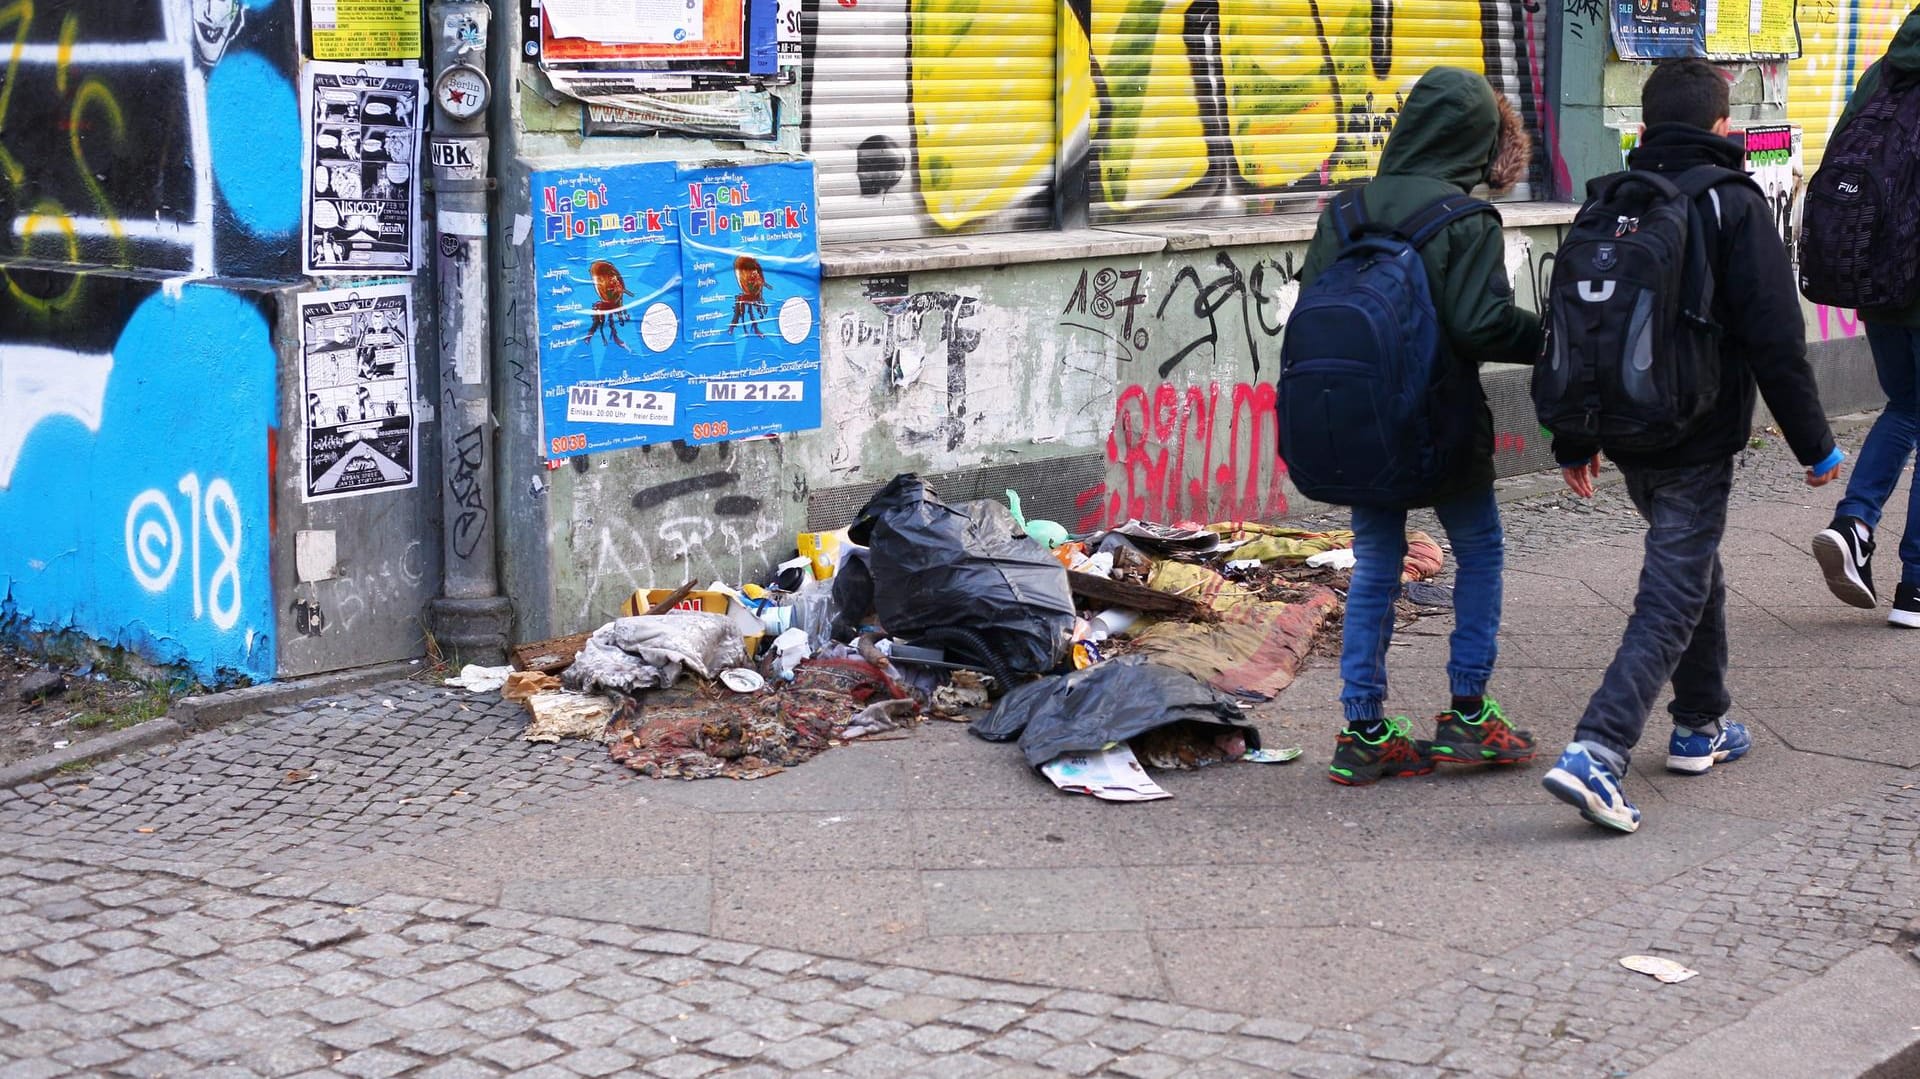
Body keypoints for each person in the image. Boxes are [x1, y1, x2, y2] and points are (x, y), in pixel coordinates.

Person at [1542, 59, 1844, 833]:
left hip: (1622, 427)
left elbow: (1577, 331)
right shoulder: (1732, 203)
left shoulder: (1609, 203)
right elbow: (1776, 338)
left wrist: (1574, 436)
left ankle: (1700, 723)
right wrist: (1816, 445)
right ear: (1721, 128)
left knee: (1693, 561)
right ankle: (1598, 748)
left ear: (1643, 129)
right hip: (1697, 430)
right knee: (1673, 587)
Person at [1296, 66, 1541, 786]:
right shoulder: (1465, 219)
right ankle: (1468, 714)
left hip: (1359, 421)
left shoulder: (1343, 211)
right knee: (1480, 548)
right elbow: (1480, 323)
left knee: (1376, 563)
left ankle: (1363, 729)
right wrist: (1553, 337)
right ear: (1475, 139)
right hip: (1441, 421)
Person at [1809, 7, 1920, 627]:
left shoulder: (1882, 74)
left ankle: (1854, 525)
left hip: (1876, 279)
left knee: (1905, 407)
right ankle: (1917, 588)